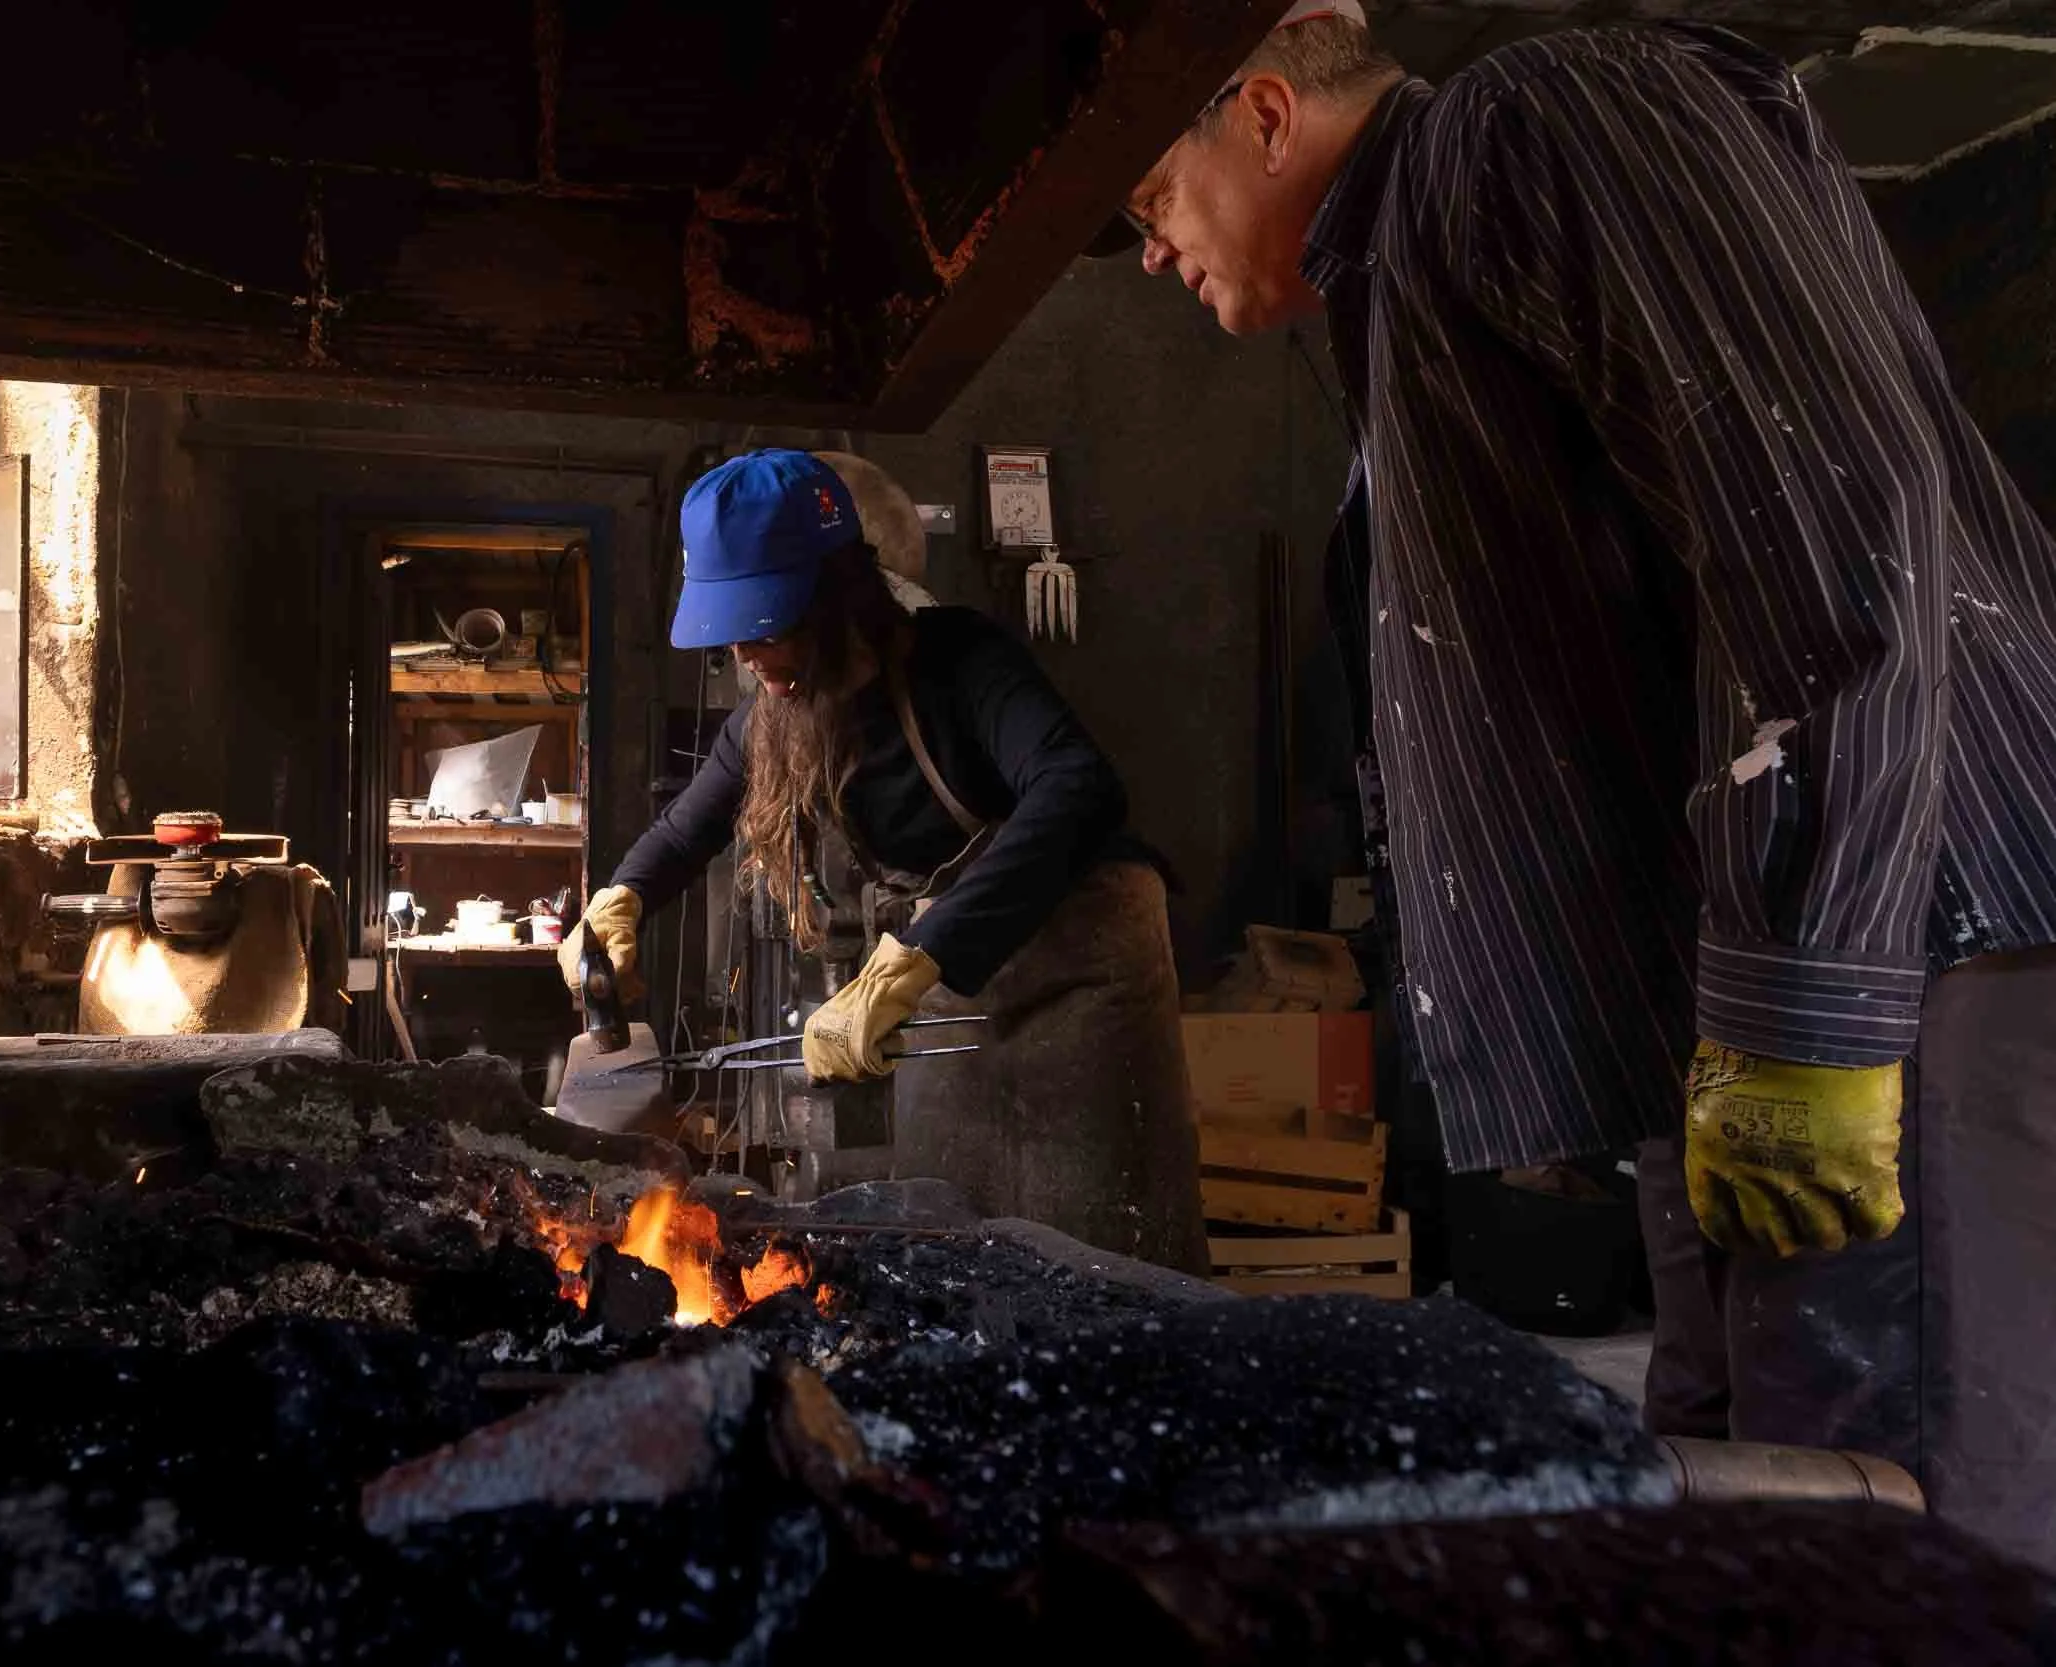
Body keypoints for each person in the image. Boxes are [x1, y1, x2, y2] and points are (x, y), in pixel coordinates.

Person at [1108, 0, 2056, 1563]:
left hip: (1905, 934)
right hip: (1750, 979)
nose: (1152, 254)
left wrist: (1813, 1006)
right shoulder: (1406, 276)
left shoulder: (1529, 124)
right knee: (1737, 1492)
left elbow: (1826, 516)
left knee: (1902, 1528)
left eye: (1150, 202)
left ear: (1264, 113)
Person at [560, 448, 1206, 1273]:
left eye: (768, 628)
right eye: (736, 639)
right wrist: (619, 898)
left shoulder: (960, 660)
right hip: (946, 987)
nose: (750, 658)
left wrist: (921, 953)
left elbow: (1078, 786)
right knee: (958, 1248)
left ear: (838, 598)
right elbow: (687, 830)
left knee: (1104, 1261)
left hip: (1080, 976)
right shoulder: (776, 713)